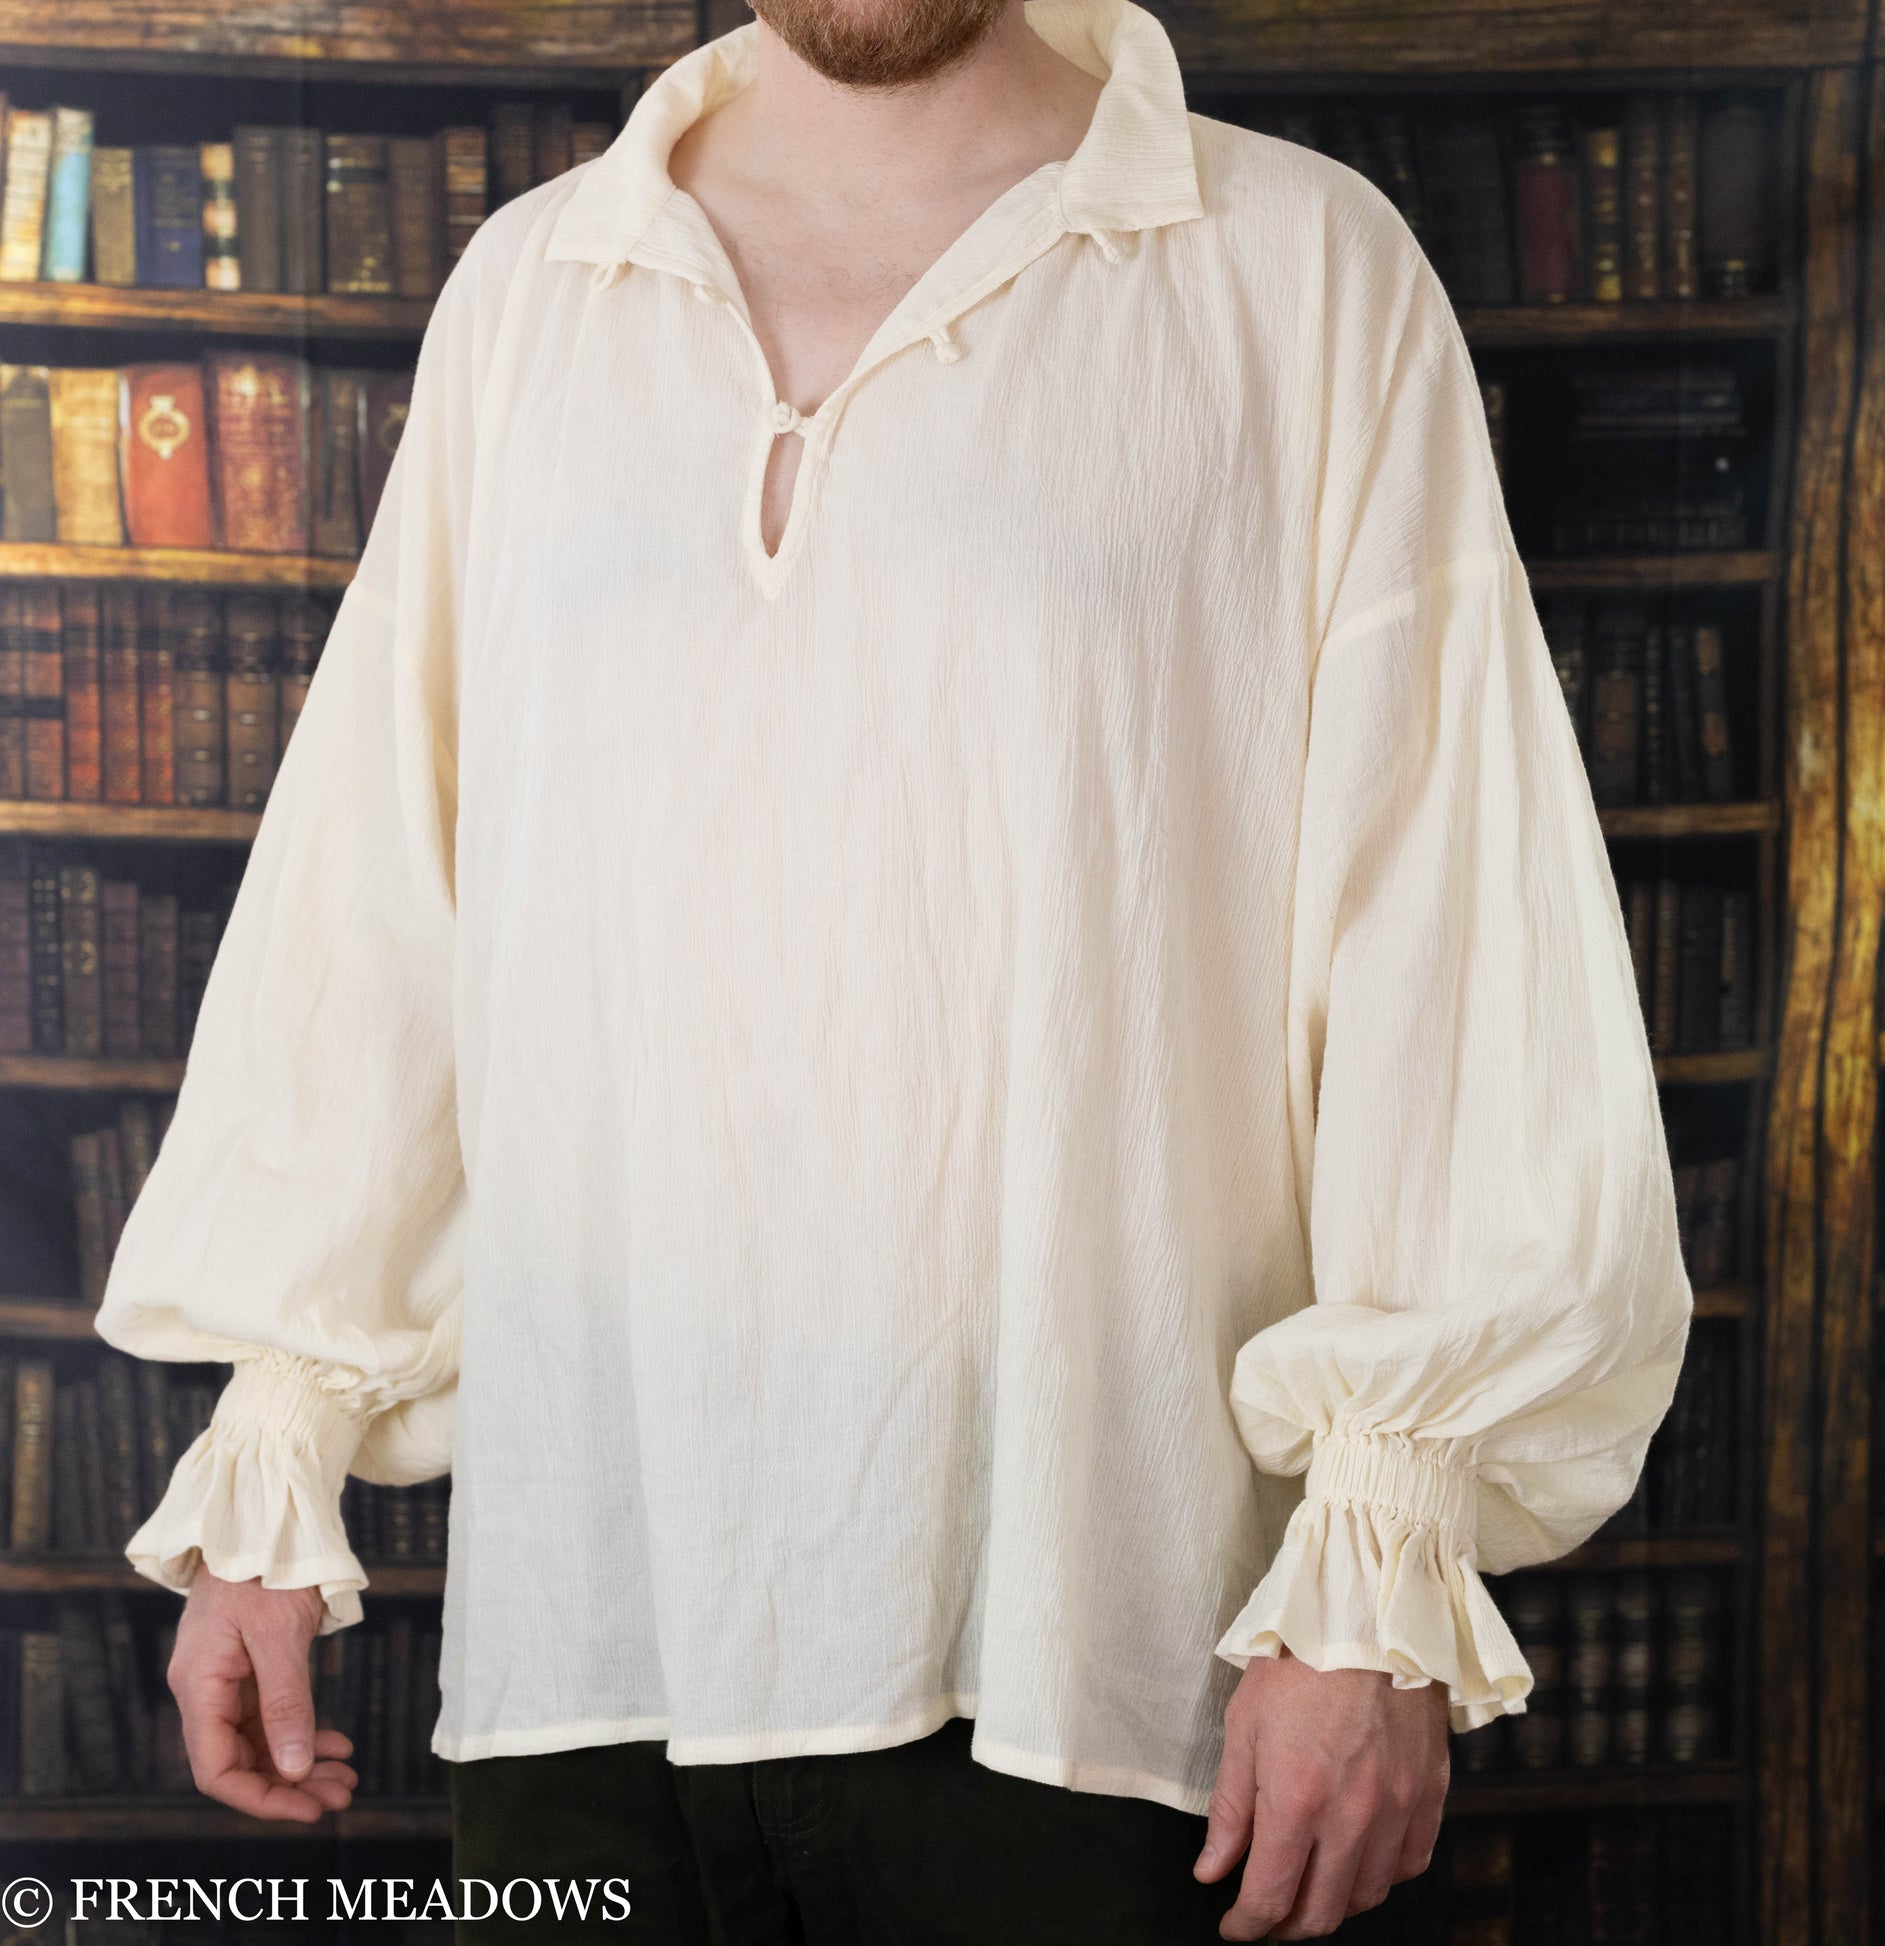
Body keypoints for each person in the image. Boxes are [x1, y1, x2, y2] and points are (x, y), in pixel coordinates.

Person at [94, 0, 1695, 1939]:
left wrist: (1379, 1566)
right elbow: (381, 897)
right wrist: (282, 1442)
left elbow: (1450, 929)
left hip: (1081, 1647)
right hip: (597, 1615)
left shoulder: (1297, 275)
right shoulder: (534, 294)